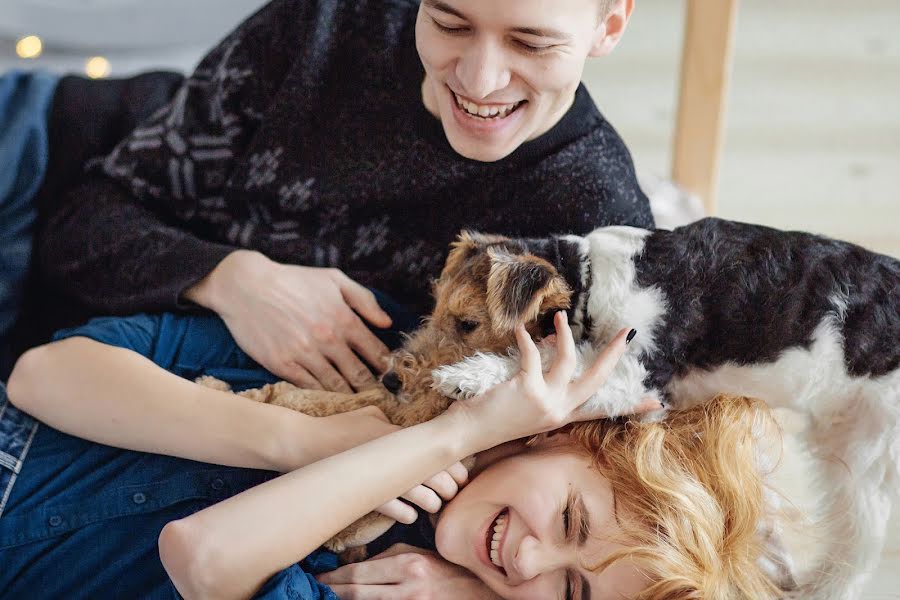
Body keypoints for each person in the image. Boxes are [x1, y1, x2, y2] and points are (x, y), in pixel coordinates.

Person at [33, 0, 654, 395]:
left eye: (531, 43)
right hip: (54, 148)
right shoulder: (323, 26)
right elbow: (79, 225)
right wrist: (231, 279)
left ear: (611, 24)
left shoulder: (598, 224)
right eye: (448, 22)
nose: (479, 79)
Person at [2, 309, 783, 599]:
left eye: (574, 594)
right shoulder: (397, 369)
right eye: (572, 518)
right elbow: (43, 377)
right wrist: (309, 440)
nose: (533, 561)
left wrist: (450, 444)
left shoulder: (404, 586)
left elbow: (203, 559)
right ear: (565, 432)